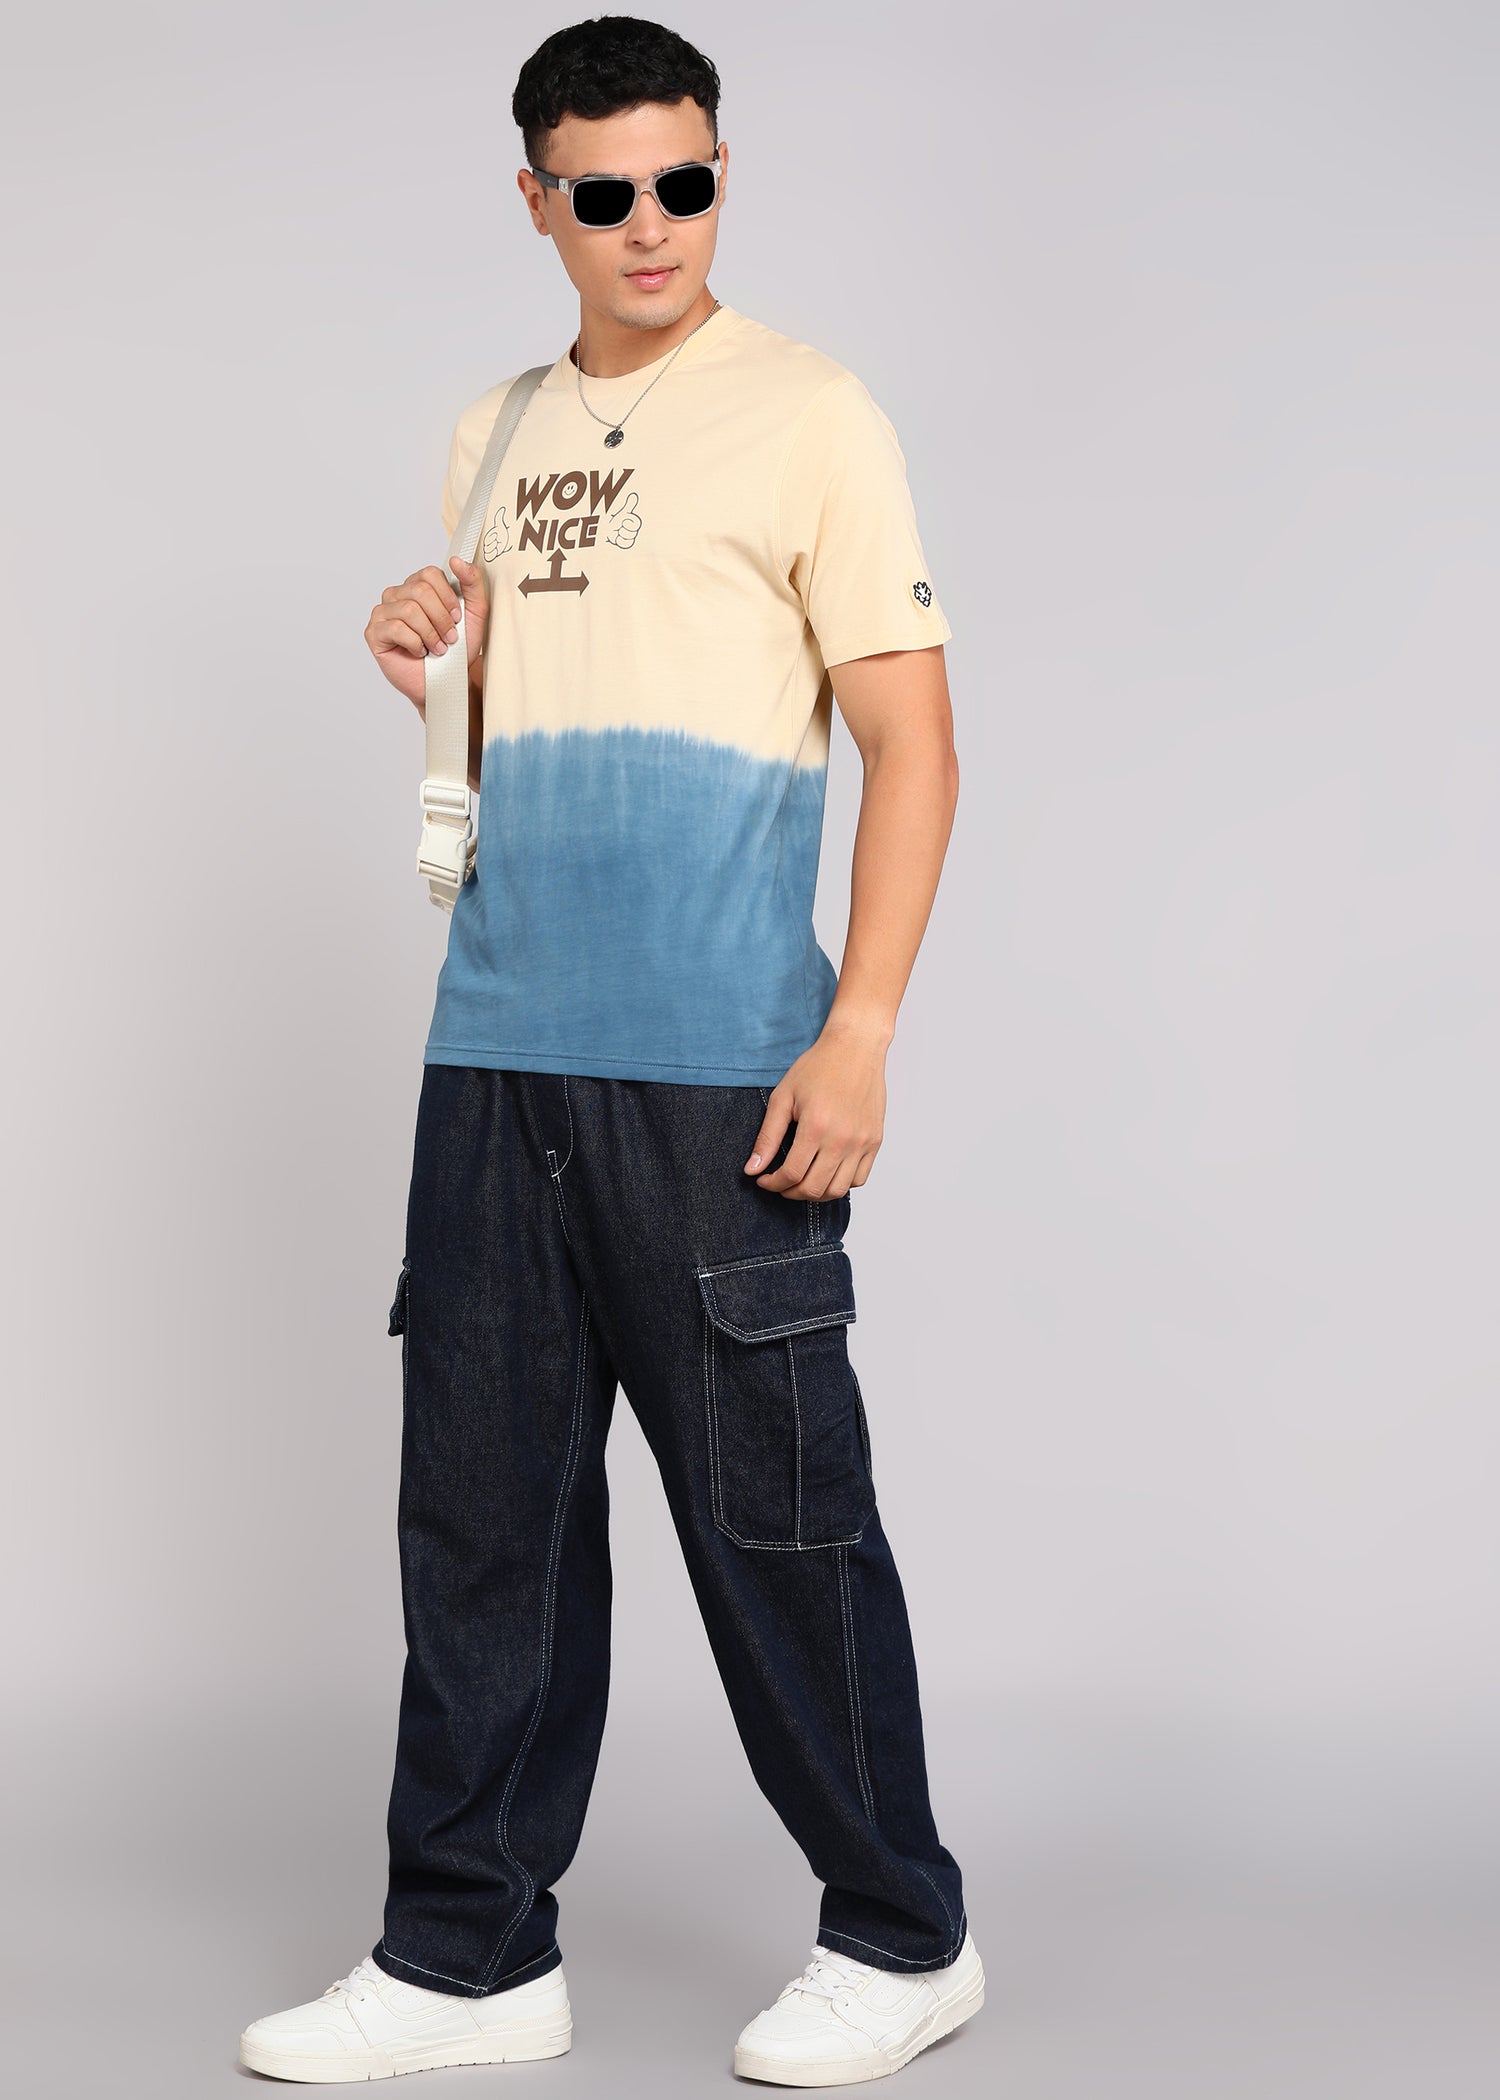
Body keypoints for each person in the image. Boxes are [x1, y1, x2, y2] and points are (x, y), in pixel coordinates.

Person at [239, 15, 982, 2088]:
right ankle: (468, 1955)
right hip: (494, 1053)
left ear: (720, 175)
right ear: (538, 199)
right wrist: (421, 665)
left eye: (688, 181)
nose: (653, 225)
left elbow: (914, 741)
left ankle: (904, 1933)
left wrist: (859, 1028)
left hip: (720, 1070)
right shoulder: (490, 432)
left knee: (779, 1519)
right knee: (483, 1527)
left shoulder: (813, 414)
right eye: (606, 191)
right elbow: (527, 727)